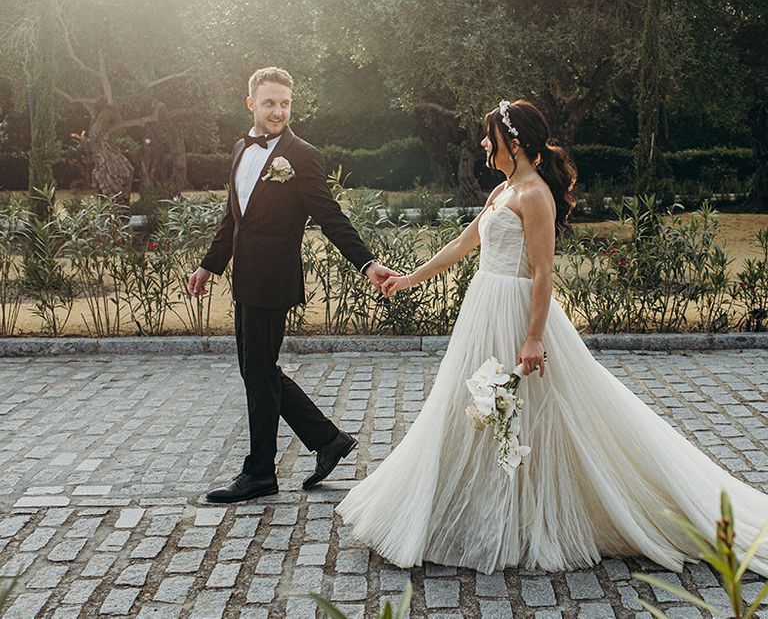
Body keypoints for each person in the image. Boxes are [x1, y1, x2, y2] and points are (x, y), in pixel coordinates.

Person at [336, 99, 768, 576]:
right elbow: (464, 243)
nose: (483, 144)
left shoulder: (534, 195)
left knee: (527, 413)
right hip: (484, 309)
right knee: (481, 410)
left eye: (489, 136)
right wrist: (407, 279)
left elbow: (543, 272)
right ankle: (486, 506)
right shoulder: (502, 190)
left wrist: (533, 339)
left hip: (519, 314)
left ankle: (534, 511)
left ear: (514, 141)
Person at [188, 66, 396, 503]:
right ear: (251, 104)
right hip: (245, 278)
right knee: (255, 371)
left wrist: (367, 263)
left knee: (258, 372)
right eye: (269, 103)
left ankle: (261, 472)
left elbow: (329, 215)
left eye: (284, 103)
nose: (278, 110)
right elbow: (234, 218)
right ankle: (327, 440)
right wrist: (210, 266)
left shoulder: (301, 155)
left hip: (274, 280)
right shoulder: (240, 149)